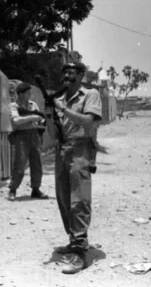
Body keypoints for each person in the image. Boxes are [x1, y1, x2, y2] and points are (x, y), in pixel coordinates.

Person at [47, 62, 102, 274]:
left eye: (71, 72)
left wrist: (61, 109)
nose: (66, 76)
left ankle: (80, 253)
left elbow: (88, 122)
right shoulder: (59, 99)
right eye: (64, 73)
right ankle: (74, 240)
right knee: (63, 199)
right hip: (62, 150)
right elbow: (52, 135)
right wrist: (50, 115)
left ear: (81, 75)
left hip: (81, 149)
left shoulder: (90, 94)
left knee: (79, 199)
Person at [7, 82, 50, 201]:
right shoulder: (14, 106)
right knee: (20, 164)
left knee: (36, 164)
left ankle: (35, 189)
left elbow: (40, 118)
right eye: (27, 92)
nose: (29, 94)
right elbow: (16, 120)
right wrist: (32, 118)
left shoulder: (33, 104)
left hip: (34, 135)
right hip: (21, 136)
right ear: (20, 94)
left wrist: (41, 120)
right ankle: (13, 189)